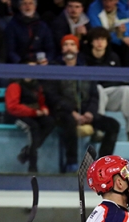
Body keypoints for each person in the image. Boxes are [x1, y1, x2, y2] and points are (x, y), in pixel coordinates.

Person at [49, 34, 120, 167]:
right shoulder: (54, 68)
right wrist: (72, 112)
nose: (69, 48)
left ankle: (103, 164)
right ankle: (72, 163)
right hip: (64, 113)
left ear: (77, 49)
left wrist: (90, 113)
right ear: (62, 49)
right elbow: (53, 96)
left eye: (72, 44)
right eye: (66, 45)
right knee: (68, 122)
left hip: (86, 113)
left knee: (113, 125)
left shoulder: (85, 68)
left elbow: (94, 95)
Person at [84, 27, 129, 143]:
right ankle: (98, 129)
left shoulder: (113, 57)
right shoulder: (84, 59)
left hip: (111, 95)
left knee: (126, 89)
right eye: (97, 39)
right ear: (91, 41)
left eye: (103, 39)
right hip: (91, 99)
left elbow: (118, 80)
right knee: (98, 89)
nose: (100, 42)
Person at [5, 70, 56, 173]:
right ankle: (33, 166)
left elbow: (41, 102)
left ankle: (27, 152)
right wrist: (34, 112)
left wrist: (44, 108)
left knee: (49, 122)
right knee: (33, 127)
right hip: (17, 116)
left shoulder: (36, 86)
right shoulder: (15, 86)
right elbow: (13, 108)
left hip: (33, 114)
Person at [87, 0, 129, 66]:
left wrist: (125, 35)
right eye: (105, 1)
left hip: (117, 38)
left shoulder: (122, 7)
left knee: (128, 45)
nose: (108, 4)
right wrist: (120, 38)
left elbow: (127, 27)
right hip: (102, 39)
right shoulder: (94, 8)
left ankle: (125, 73)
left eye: (111, 1)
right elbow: (98, 32)